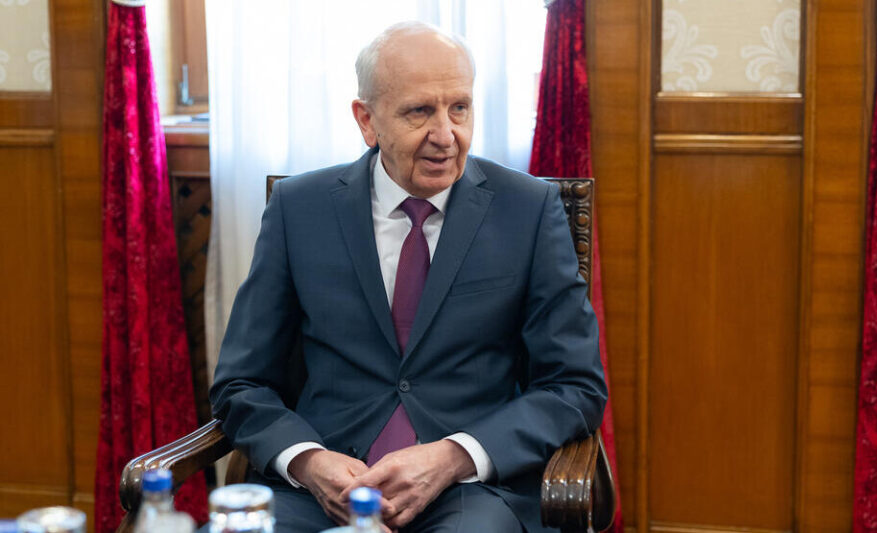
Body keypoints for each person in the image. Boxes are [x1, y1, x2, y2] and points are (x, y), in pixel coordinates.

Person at [210, 21, 607, 533]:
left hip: (469, 493)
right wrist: (308, 461)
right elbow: (241, 382)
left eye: (459, 108)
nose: (445, 135)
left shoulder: (527, 210)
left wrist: (454, 456)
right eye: (420, 111)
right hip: (320, 490)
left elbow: (574, 385)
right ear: (367, 119)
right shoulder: (299, 209)